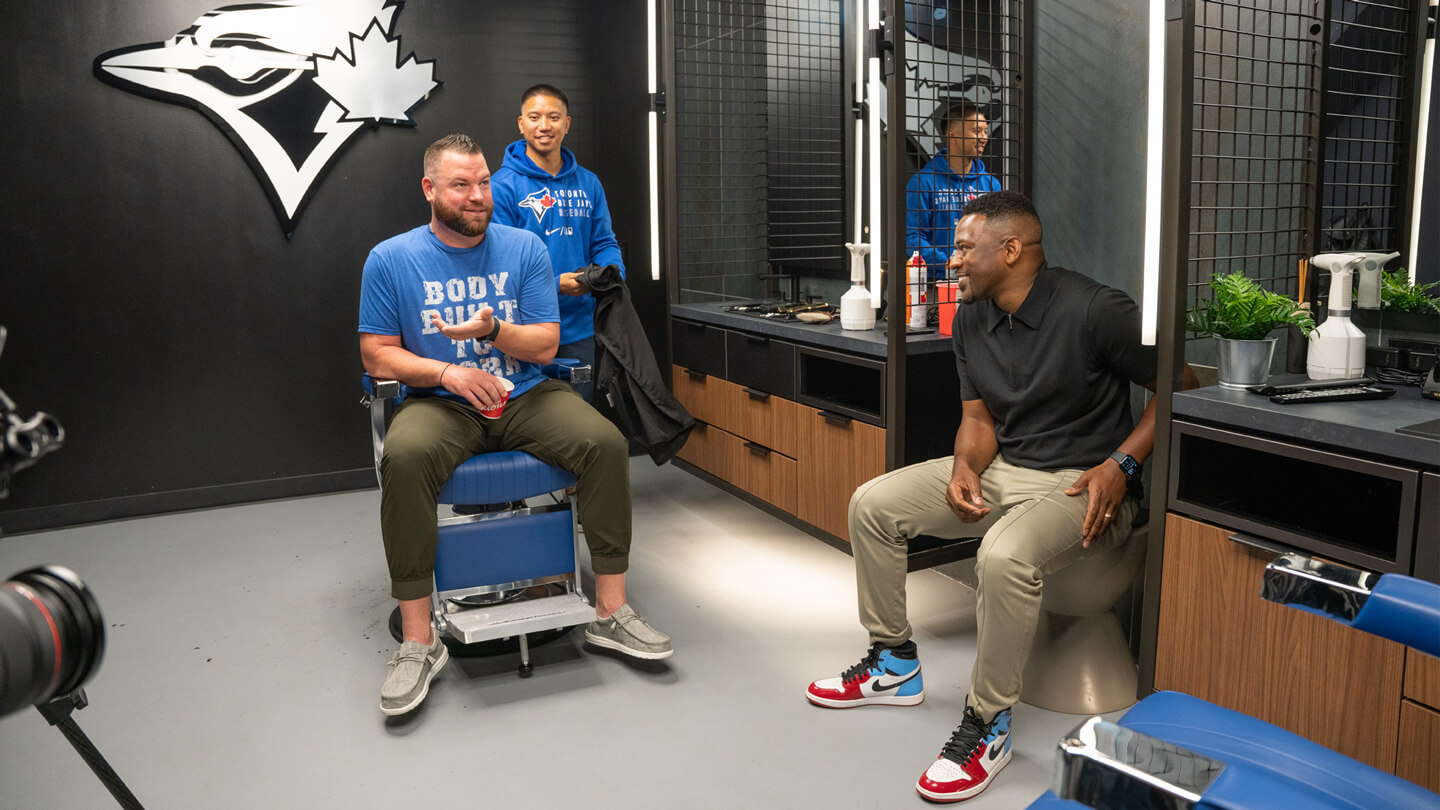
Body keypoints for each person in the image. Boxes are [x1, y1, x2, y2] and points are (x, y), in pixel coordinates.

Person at [805, 191, 1198, 802]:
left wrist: (1121, 464)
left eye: (964, 248)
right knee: (873, 505)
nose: (953, 260)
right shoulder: (970, 318)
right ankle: (893, 661)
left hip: (1083, 483)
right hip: (1007, 470)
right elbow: (980, 420)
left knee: (1002, 555)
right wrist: (965, 465)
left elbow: (1181, 387)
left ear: (1011, 250)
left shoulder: (1096, 309)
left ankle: (988, 724)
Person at [358, 134, 672, 717]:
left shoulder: (525, 248)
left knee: (603, 442)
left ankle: (609, 611)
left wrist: (492, 331)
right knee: (401, 458)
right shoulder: (392, 258)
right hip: (441, 403)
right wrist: (447, 373)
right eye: (461, 185)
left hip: (524, 393)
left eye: (482, 183)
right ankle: (419, 639)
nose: (477, 196)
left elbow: (546, 342)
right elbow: (377, 354)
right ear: (430, 189)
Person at [490, 84, 624, 402]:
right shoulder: (501, 186)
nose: (544, 125)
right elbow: (499, 265)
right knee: (529, 422)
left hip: (579, 327)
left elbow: (604, 242)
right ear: (521, 123)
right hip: (522, 331)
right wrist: (555, 285)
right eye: (535, 117)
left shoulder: (589, 183)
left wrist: (609, 275)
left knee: (579, 425)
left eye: (554, 117)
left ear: (567, 124)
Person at [906, 102, 1002, 279]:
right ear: (953, 134)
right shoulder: (922, 182)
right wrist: (949, 266)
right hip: (936, 285)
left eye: (985, 131)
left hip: (980, 282)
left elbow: (997, 236)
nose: (984, 138)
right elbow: (912, 238)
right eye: (976, 131)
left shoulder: (991, 185)